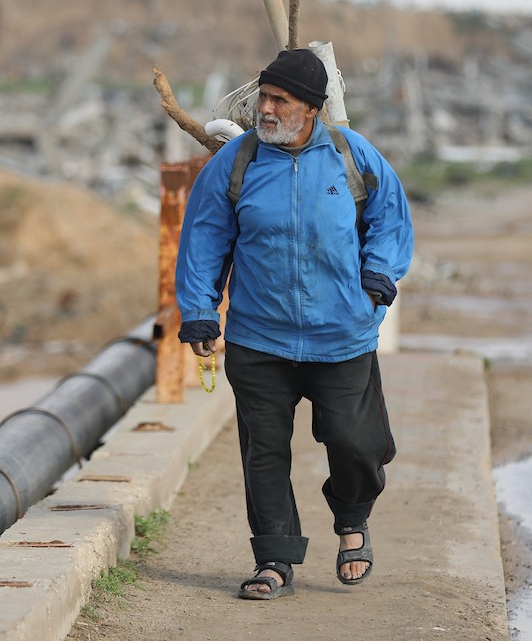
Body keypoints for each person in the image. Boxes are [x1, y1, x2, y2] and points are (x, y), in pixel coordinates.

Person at [175, 49, 414, 600]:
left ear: (311, 108)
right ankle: (274, 559)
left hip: (343, 335)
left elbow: (390, 218)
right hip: (260, 338)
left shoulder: (354, 157)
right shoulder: (234, 164)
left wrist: (377, 275)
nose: (265, 108)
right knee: (264, 450)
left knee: (357, 442)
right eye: (263, 96)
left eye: (279, 100)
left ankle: (352, 518)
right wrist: (198, 312)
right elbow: (204, 238)